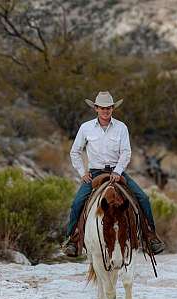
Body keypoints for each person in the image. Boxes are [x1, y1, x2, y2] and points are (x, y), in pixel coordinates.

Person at [62, 91, 165, 257]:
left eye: (108, 108)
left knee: (143, 198)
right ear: (96, 108)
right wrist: (82, 172)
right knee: (77, 203)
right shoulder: (86, 128)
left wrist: (118, 171)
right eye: (102, 108)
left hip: (117, 172)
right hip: (95, 173)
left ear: (112, 108)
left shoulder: (121, 127)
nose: (105, 111)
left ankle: (151, 237)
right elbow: (75, 152)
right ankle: (72, 239)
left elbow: (126, 152)